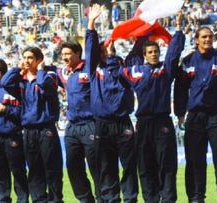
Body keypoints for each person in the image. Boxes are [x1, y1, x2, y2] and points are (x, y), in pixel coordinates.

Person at [119, 15, 185, 203]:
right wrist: (140, 35)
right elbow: (124, 66)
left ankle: (168, 199)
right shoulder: (135, 72)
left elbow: (174, 53)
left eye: (156, 51)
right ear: (144, 55)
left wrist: (178, 30)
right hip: (143, 124)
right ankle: (150, 200)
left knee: (167, 165)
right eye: (150, 52)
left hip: (163, 122)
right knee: (145, 166)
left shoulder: (165, 71)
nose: (154, 54)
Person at [174, 26, 217, 203]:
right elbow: (180, 89)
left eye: (210, 36)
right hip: (194, 116)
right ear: (196, 40)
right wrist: (180, 113)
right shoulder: (187, 61)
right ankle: (196, 198)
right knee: (194, 161)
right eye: (204, 37)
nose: (208, 39)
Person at [85, 4, 138, 202]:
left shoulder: (124, 69)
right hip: (102, 123)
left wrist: (113, 56)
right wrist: (91, 22)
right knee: (106, 166)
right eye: (103, 49)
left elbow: (137, 53)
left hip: (123, 122)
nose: (106, 50)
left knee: (129, 165)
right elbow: (90, 47)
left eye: (110, 48)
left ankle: (130, 198)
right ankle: (110, 199)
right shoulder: (94, 70)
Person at [1, 47, 63, 203]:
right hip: (28, 131)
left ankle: (55, 199)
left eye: (30, 58)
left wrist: (41, 70)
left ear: (39, 60)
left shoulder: (49, 75)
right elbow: (4, 82)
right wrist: (17, 68)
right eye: (24, 57)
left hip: (46, 129)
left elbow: (44, 85)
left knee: (52, 168)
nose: (26, 61)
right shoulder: (21, 81)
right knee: (34, 169)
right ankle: (39, 200)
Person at [58, 8, 100, 203]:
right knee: (73, 166)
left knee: (96, 165)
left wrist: (90, 24)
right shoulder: (63, 73)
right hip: (72, 127)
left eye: (68, 53)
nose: (65, 57)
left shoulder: (88, 68)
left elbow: (92, 48)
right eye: (62, 54)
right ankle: (86, 199)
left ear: (77, 54)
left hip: (90, 123)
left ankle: (103, 198)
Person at [0, 59, 29, 203]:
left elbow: (23, 112)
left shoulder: (14, 88)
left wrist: (6, 110)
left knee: (18, 173)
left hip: (12, 137)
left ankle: (22, 200)